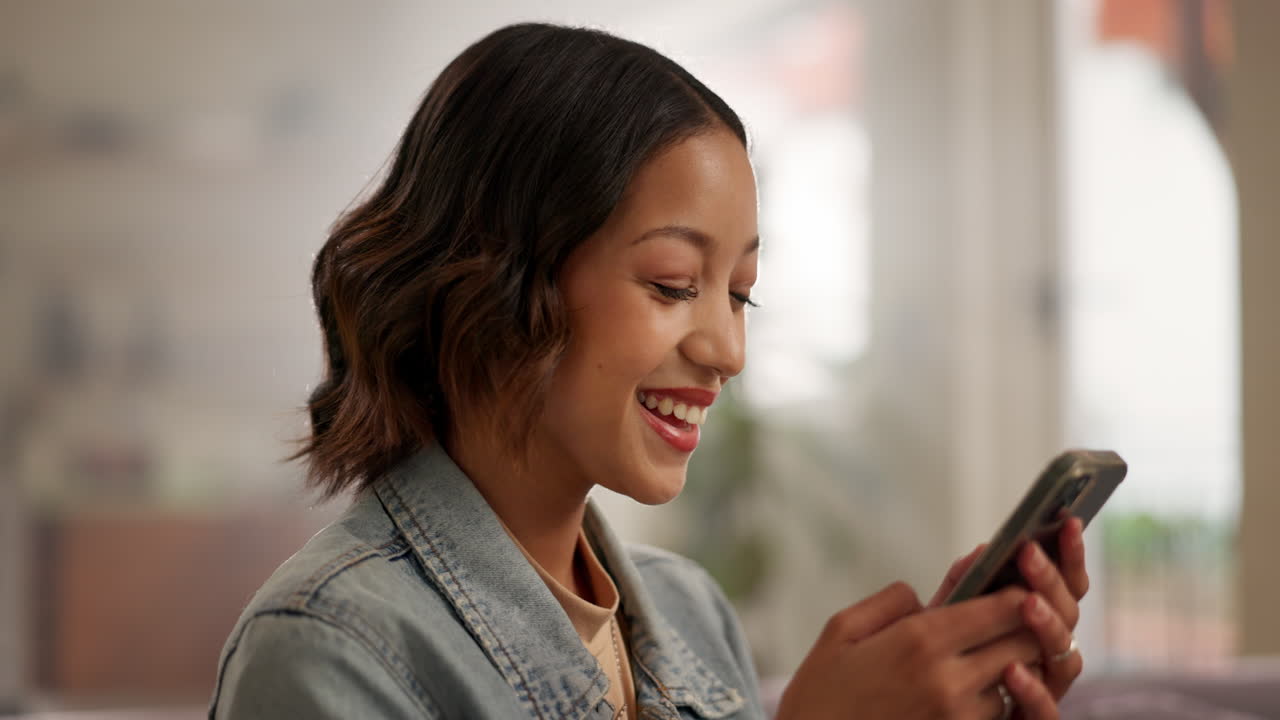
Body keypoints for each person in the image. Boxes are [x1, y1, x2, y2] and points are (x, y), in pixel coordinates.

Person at [208, 22, 1088, 720]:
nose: (726, 351)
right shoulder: (329, 648)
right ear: (491, 277)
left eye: (740, 294)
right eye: (673, 283)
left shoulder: (690, 614)